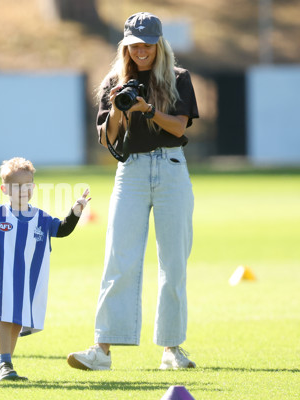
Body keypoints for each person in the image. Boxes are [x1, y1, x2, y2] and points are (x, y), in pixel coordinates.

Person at [67, 12, 199, 371]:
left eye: (147, 44)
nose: (141, 51)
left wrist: (148, 109)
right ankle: (102, 349)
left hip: (171, 168)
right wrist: (117, 108)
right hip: (132, 172)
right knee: (118, 259)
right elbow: (107, 138)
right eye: (134, 44)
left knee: (173, 263)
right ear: (125, 45)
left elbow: (178, 127)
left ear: (159, 44)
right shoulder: (114, 80)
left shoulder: (178, 79)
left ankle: (172, 348)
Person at [0, 157, 91, 381]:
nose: (23, 191)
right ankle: (5, 362)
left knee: (17, 322)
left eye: (27, 186)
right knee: (4, 317)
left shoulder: (42, 218)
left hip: (29, 284)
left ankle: (1, 368)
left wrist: (75, 211)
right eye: (17, 186)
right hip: (4, 282)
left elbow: (62, 230)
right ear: (5, 189)